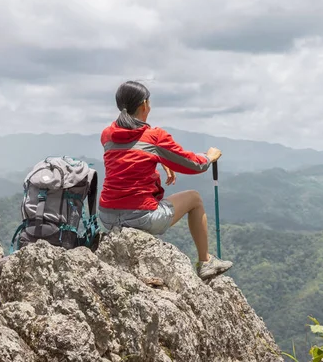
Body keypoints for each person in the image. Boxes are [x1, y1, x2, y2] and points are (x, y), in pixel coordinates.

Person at [98, 80, 233, 280]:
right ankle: (206, 261)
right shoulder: (154, 136)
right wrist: (209, 157)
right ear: (144, 104)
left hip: (107, 216)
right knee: (194, 198)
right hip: (140, 217)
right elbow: (193, 164)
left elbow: (128, 159)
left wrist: (162, 161)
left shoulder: (107, 134)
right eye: (149, 103)